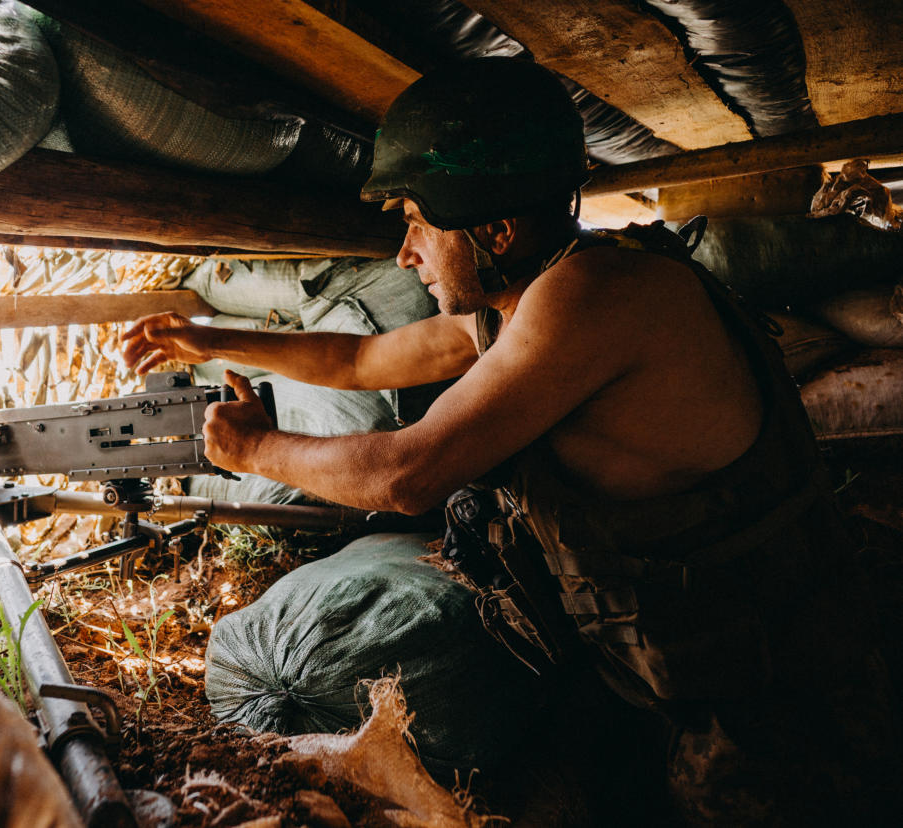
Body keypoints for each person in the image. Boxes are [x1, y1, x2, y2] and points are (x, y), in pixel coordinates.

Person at [123, 57, 897, 824]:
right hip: (669, 674)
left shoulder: (595, 296)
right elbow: (358, 358)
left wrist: (256, 451)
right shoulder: (522, 301)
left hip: (773, 704)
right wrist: (208, 338)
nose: (405, 253)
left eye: (417, 222)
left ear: (495, 227)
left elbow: (406, 474)